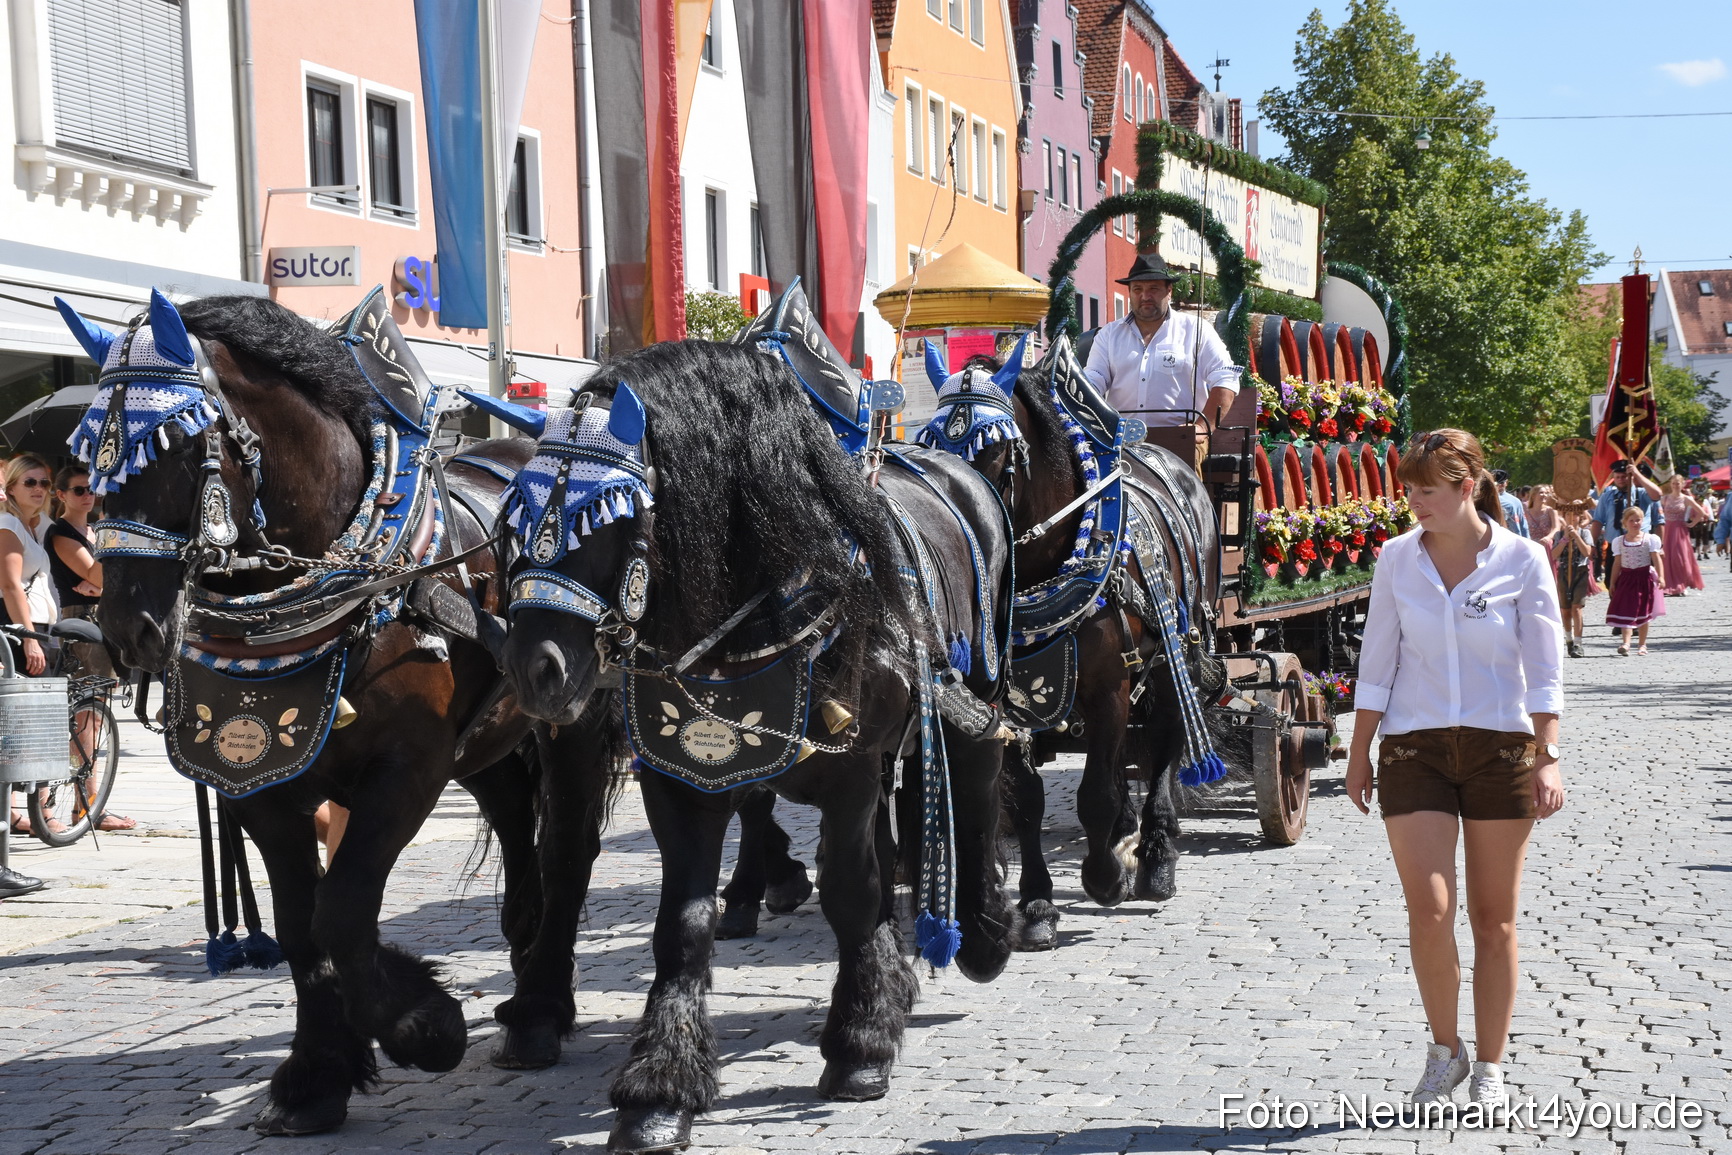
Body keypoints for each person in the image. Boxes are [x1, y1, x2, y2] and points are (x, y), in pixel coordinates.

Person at [1346, 428, 1564, 1111]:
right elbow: (1376, 660)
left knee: (1494, 918)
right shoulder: (1395, 560)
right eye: (1408, 488)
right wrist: (1359, 750)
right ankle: (1445, 1052)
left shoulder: (1523, 560)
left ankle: (1492, 1065)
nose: (1413, 501)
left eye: (1426, 490)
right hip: (1416, 748)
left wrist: (1547, 754)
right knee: (1430, 909)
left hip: (1502, 748)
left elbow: (1547, 666)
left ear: (1467, 487)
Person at [46, 465, 135, 833]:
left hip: (102, 619)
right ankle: (82, 806)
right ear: (62, 495)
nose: (88, 495)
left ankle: (88, 804)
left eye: (92, 488)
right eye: (79, 489)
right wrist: (106, 581)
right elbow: (101, 576)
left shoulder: (97, 530)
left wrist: (106, 582)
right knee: (87, 717)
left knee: (95, 716)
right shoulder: (61, 533)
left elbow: (116, 577)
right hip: (81, 622)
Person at [1083, 253, 1241, 434]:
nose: (1145, 296)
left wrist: (1201, 428)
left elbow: (1225, 377)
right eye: (1137, 289)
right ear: (1129, 293)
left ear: (1169, 291)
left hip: (1181, 437)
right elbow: (1094, 378)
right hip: (1120, 438)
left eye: (1154, 288)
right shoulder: (1109, 334)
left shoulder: (1196, 330)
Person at [2, 453, 62, 859]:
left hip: (35, 628)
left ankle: (27, 811)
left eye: (43, 482)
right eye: (30, 483)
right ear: (11, 488)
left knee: (27, 723)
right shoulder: (8, 525)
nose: (39, 489)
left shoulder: (31, 526)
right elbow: (9, 586)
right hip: (21, 631)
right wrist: (28, 638)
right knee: (29, 722)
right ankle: (39, 811)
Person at [1606, 505, 1666, 656]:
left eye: (1638, 520)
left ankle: (1642, 644)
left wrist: (1661, 577)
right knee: (1627, 610)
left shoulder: (1649, 539)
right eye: (1631, 520)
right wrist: (1613, 582)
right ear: (1625, 523)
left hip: (1643, 578)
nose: (1635, 523)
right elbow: (1617, 563)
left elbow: (1656, 559)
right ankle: (1626, 643)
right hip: (1626, 579)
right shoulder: (1619, 541)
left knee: (1643, 611)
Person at [1591, 459, 1659, 582]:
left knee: (1641, 583)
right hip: (1615, 546)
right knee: (1612, 582)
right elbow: (1598, 521)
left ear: (1631, 477)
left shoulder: (1642, 493)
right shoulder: (1607, 496)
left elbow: (1657, 494)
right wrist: (1592, 544)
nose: (1621, 479)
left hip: (1639, 546)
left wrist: (1637, 473)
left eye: (1624, 476)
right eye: (1617, 477)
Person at [1548, 510, 1594, 658]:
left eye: (1574, 515)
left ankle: (1578, 643)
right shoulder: (1559, 535)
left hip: (1580, 572)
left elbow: (1587, 552)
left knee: (1577, 608)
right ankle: (1568, 640)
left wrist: (1576, 536)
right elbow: (1554, 555)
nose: (1571, 518)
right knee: (1565, 610)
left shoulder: (1585, 533)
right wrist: (1565, 539)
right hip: (1564, 573)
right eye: (1568, 515)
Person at [1656, 476, 1708, 596]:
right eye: (1673, 483)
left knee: (1680, 558)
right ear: (1670, 484)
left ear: (1683, 484)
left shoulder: (1686, 498)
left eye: (1678, 483)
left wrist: (1692, 523)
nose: (1675, 485)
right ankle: (1668, 583)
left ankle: (1682, 583)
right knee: (1666, 557)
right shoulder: (1665, 498)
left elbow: (1702, 512)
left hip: (1680, 531)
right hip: (1667, 529)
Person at [1492, 470, 1528, 537]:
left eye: (1502, 483)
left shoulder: (1515, 501)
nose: (1500, 486)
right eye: (1498, 483)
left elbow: (1523, 524)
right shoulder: (1486, 499)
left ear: (1506, 482)